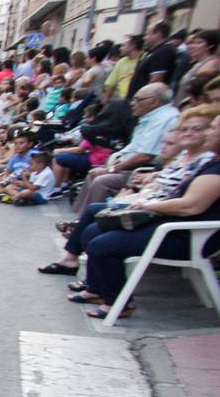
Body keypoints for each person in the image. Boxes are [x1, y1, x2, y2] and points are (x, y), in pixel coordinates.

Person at [66, 114, 220, 319]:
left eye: (211, 128)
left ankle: (119, 303)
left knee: (102, 245)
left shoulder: (215, 170)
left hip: (187, 236)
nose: (208, 133)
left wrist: (147, 205)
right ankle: (97, 289)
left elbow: (190, 206)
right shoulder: (209, 162)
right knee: (93, 230)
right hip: (170, 223)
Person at [128, 23, 177, 98]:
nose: (144, 38)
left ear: (158, 34)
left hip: (144, 100)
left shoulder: (164, 52)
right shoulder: (153, 51)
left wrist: (143, 98)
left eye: (147, 34)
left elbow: (156, 80)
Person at [177, 30, 220, 108]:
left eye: (199, 42)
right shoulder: (197, 63)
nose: (192, 46)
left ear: (210, 45)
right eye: (193, 43)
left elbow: (202, 92)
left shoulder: (211, 65)